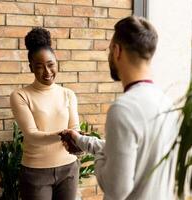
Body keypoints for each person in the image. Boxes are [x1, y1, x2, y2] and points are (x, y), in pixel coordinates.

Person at [62, 16, 179, 200]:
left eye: (109, 50)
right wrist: (81, 140)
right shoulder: (167, 103)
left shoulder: (123, 109)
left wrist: (100, 158)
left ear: (117, 51)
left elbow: (117, 190)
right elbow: (127, 152)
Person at [10, 27, 80, 200]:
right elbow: (32, 135)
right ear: (31, 67)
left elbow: (75, 127)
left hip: (69, 168)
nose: (47, 72)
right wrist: (65, 135)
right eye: (39, 66)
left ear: (57, 63)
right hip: (36, 172)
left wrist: (79, 139)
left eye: (51, 65)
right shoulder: (20, 95)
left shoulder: (68, 94)